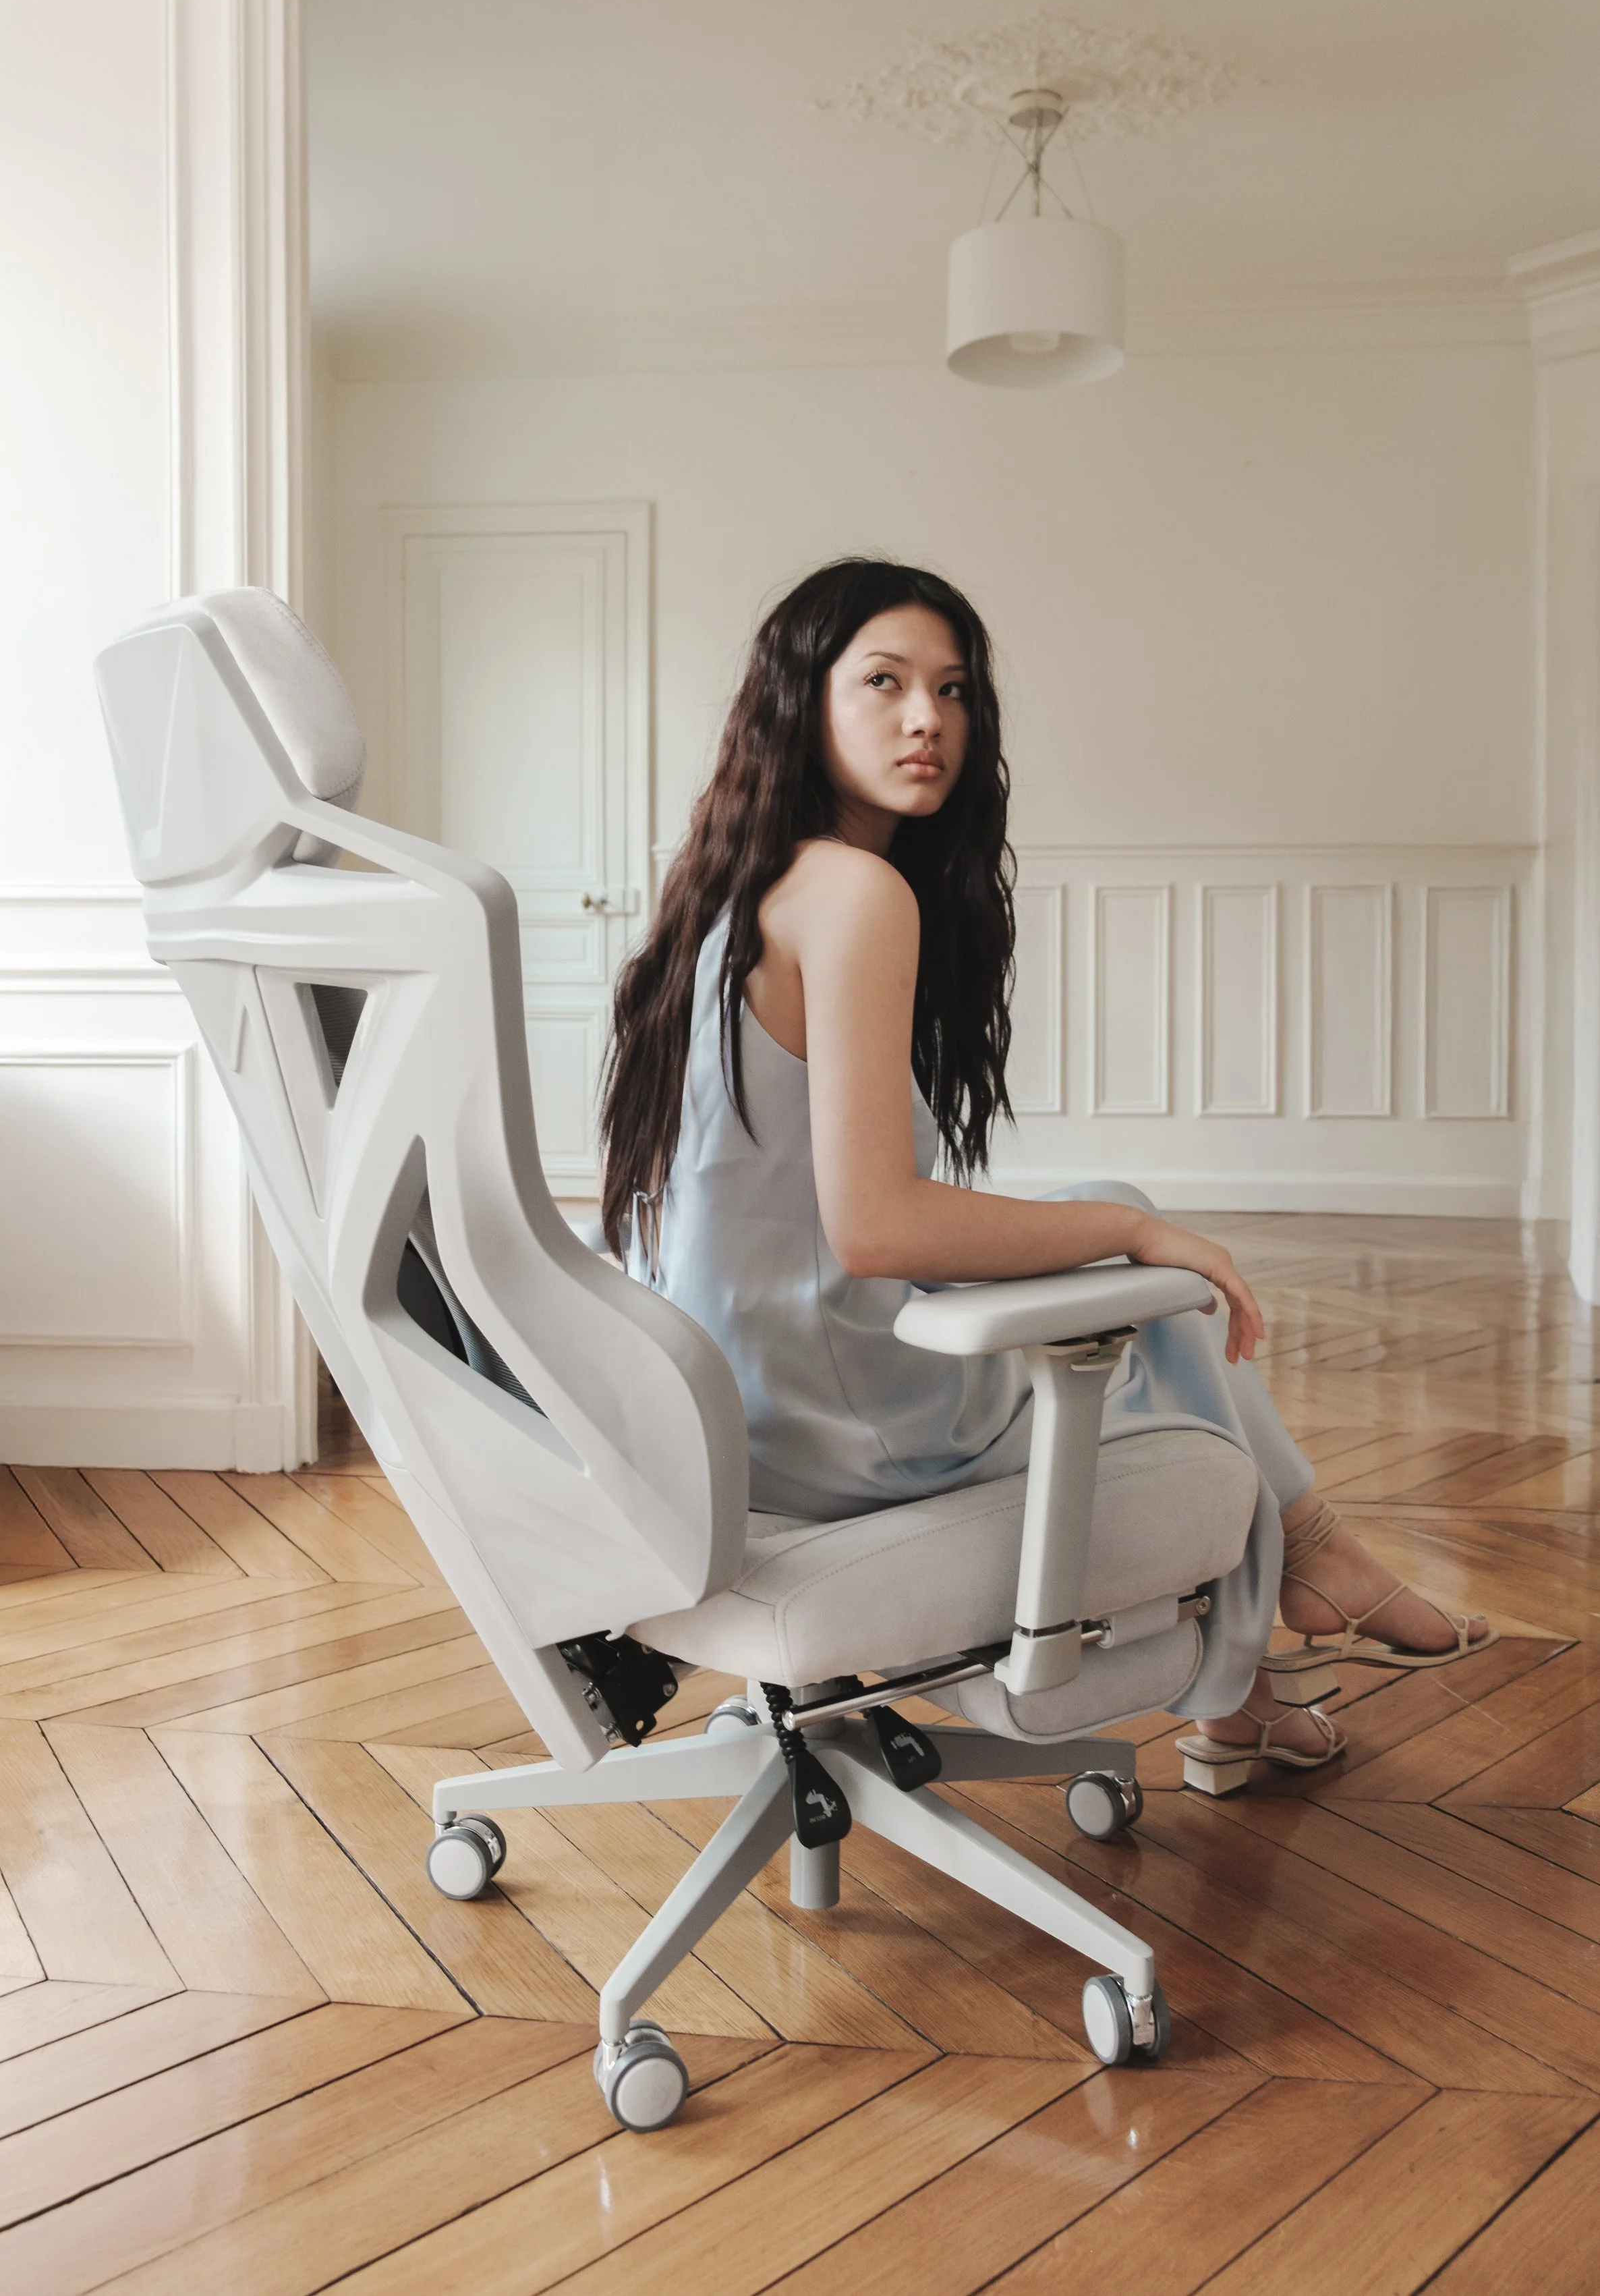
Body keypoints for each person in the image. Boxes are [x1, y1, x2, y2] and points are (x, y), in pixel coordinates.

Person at [600, 559, 1492, 1773]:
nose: (929, 719)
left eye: (954, 688)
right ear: (801, 701)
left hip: (727, 1411)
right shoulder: (854, 894)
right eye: (884, 682)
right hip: (837, 1428)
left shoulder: (724, 887)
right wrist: (1138, 1243)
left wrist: (1121, 1227)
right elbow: (876, 1229)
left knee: (1116, 1220)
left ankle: (1267, 1651)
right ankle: (1289, 1595)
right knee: (1158, 1326)